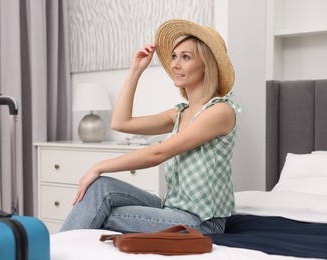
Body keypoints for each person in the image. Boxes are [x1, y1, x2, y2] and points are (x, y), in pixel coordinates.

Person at [60, 19, 241, 234]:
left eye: (186, 57)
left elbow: (158, 153)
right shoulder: (179, 114)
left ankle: (51, 253)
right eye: (174, 56)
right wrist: (136, 70)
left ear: (206, 65)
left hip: (202, 222)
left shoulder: (220, 112)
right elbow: (120, 122)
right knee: (100, 187)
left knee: (101, 212)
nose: (175, 64)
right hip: (171, 207)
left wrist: (99, 165)